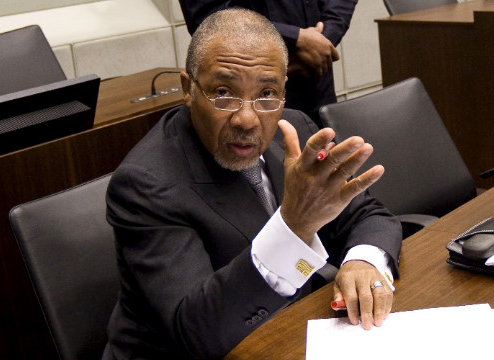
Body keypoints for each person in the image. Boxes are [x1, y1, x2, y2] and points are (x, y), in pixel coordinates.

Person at [102, 8, 401, 360]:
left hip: (290, 333)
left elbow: (366, 214)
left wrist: (363, 261)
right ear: (187, 89)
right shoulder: (145, 185)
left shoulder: (293, 129)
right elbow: (197, 332)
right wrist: (294, 226)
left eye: (267, 93)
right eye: (224, 92)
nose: (247, 118)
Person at [178, 0, 357, 127]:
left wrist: (323, 40)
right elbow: (208, 14)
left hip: (316, 78)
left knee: (326, 167)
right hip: (246, 93)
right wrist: (297, 39)